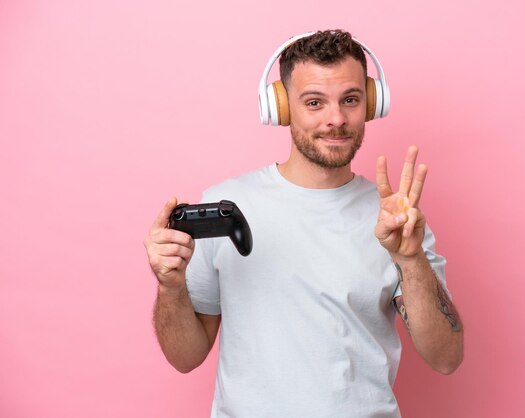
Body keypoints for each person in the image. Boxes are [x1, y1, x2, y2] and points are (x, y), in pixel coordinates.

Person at [144, 29, 463, 418]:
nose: (336, 119)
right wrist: (171, 287)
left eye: (350, 99)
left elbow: (446, 358)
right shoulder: (224, 206)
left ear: (371, 103)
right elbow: (185, 358)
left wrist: (411, 261)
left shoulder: (397, 220)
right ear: (280, 107)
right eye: (315, 102)